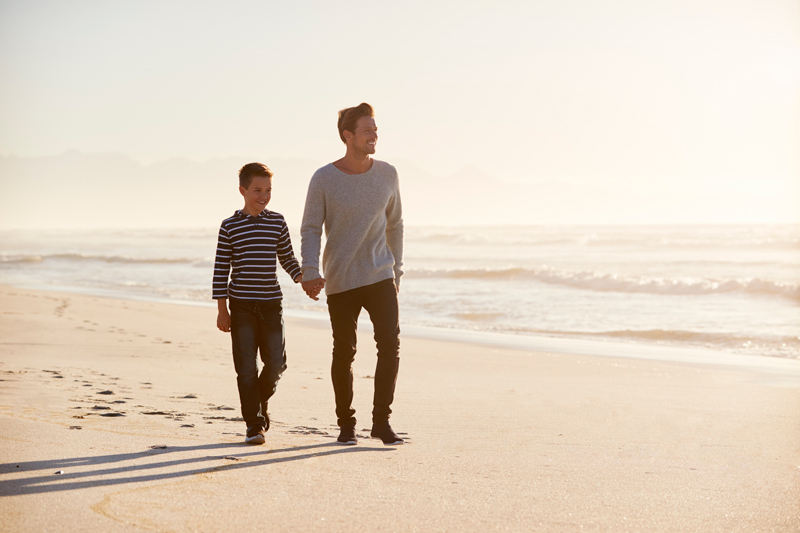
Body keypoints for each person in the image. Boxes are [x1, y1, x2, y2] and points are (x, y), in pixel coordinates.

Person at [300, 102, 404, 446]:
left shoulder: (388, 174)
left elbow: (395, 224)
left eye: (375, 129)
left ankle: (381, 422)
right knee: (344, 351)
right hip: (341, 277)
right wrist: (310, 270)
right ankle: (346, 425)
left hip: (380, 275)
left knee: (390, 345)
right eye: (367, 130)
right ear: (348, 136)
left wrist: (397, 270)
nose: (374, 135)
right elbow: (311, 228)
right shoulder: (324, 179)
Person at [213, 162, 303, 445]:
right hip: (240, 307)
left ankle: (258, 401)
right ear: (243, 190)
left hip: (270, 305)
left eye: (268, 190)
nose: (263, 196)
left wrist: (304, 278)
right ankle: (254, 425)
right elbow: (220, 270)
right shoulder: (229, 226)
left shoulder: (277, 222)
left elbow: (287, 258)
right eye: (257, 190)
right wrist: (222, 310)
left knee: (277, 363)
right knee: (246, 368)